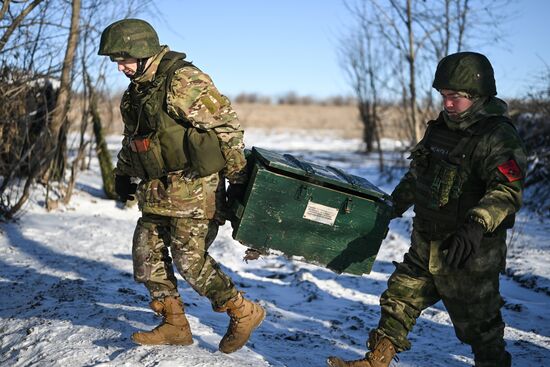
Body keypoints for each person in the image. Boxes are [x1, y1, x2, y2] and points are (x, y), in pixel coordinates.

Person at [327, 52, 527, 367]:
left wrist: (476, 224)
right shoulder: (439, 129)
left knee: (481, 328)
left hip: (469, 251)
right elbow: (419, 173)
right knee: (399, 299)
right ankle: (376, 361)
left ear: (477, 95)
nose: (447, 104)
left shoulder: (496, 136)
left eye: (455, 98)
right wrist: (393, 205)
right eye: (443, 96)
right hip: (427, 239)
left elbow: (507, 190)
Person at [97, 18, 264, 353]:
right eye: (115, 62)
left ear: (142, 52)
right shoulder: (136, 93)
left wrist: (239, 179)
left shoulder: (183, 80)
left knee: (190, 260)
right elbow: (135, 140)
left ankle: (242, 311)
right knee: (146, 255)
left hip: (196, 188)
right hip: (157, 189)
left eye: (124, 60)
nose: (120, 68)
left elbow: (226, 126)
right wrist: (123, 173)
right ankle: (174, 323)